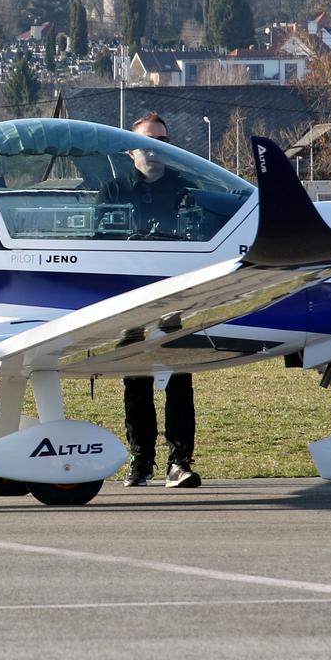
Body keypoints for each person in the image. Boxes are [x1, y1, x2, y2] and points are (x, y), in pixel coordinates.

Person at [119, 112, 200, 489]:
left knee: (179, 380)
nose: (155, 151)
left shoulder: (186, 188)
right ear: (131, 150)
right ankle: (141, 460)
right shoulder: (114, 190)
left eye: (162, 143)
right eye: (148, 143)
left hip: (175, 297)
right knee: (136, 381)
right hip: (127, 299)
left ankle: (179, 461)